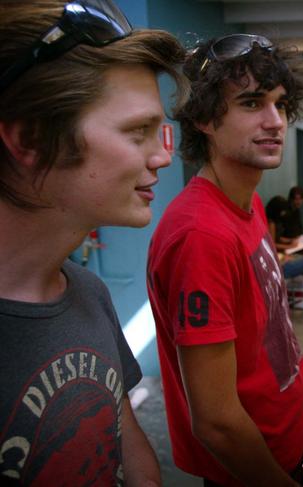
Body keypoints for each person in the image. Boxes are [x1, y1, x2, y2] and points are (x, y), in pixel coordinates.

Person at [0, 1, 186, 484]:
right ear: (30, 139)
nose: (162, 157)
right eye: (137, 132)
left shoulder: (86, 292)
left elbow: (134, 463)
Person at [147, 34, 303, 487]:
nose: (275, 121)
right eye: (252, 103)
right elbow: (216, 422)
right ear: (203, 119)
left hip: (290, 441)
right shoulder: (201, 236)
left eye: (280, 104)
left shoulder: (249, 202)